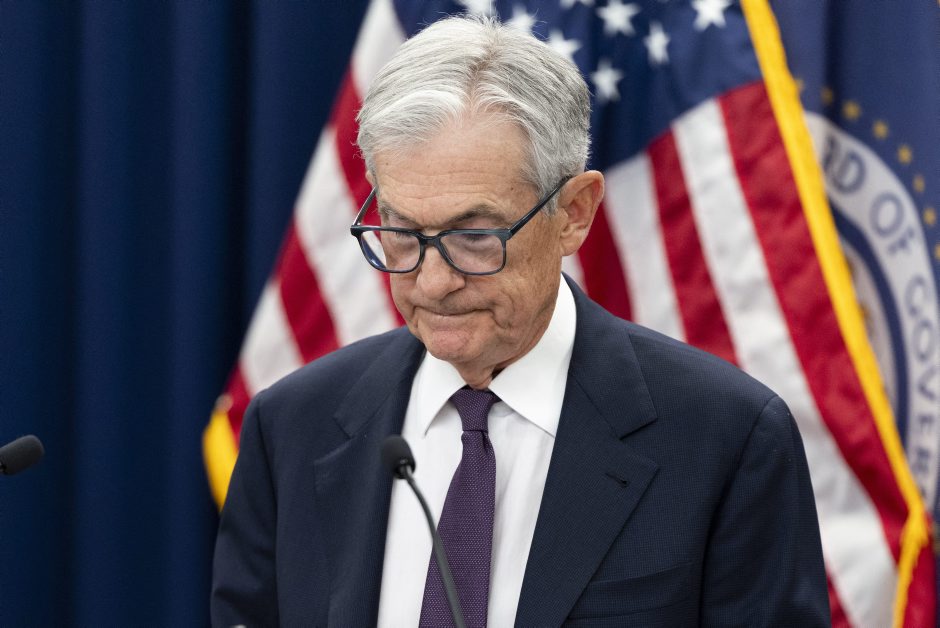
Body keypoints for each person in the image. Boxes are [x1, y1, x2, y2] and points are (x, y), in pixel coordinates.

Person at [211, 15, 829, 627]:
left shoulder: (727, 440)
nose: (433, 282)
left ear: (574, 213)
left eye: (475, 235)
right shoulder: (292, 426)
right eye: (401, 231)